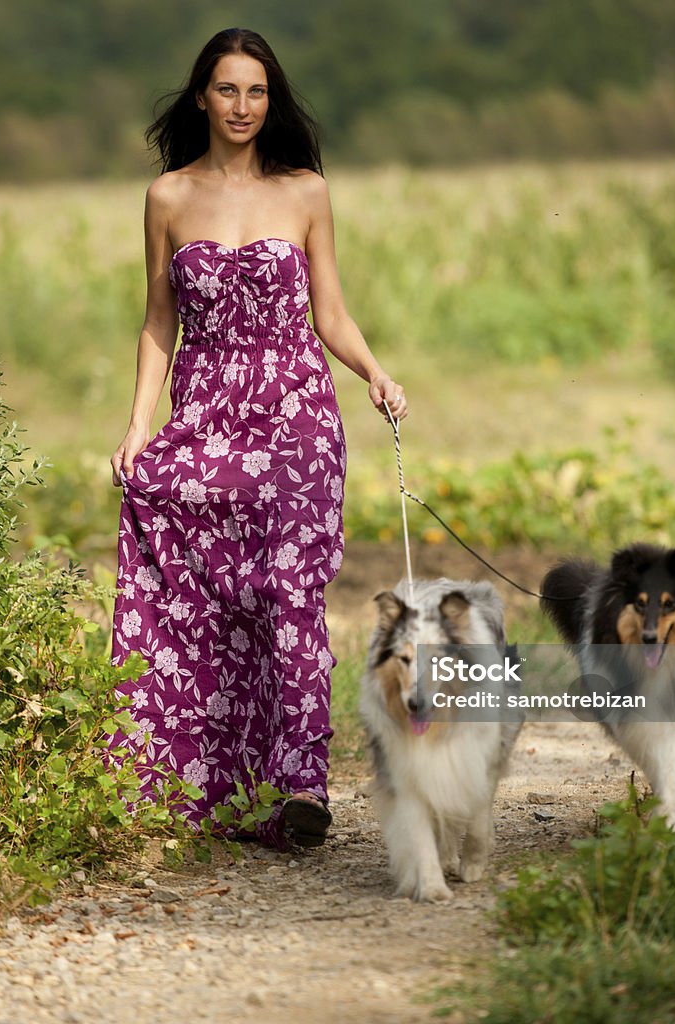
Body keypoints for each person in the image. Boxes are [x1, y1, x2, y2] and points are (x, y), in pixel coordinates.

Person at [105, 26, 408, 850]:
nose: (243, 106)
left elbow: (331, 313)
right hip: (204, 413)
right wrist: (139, 425)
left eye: (258, 92)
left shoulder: (306, 191)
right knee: (204, 592)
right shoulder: (166, 198)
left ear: (272, 102)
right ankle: (206, 785)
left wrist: (375, 374)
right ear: (202, 95)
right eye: (229, 89)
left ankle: (303, 785)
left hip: (297, 417)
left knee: (289, 592)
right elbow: (157, 322)